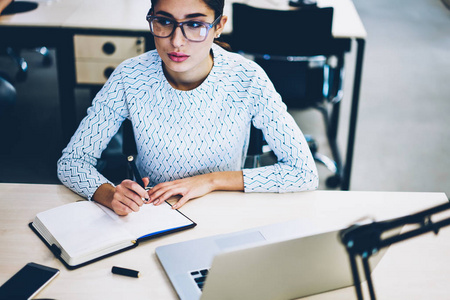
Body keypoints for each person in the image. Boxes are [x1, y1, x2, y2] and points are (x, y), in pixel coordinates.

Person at [57, 0, 319, 216]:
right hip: (156, 213)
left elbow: (304, 172)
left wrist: (210, 181)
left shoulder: (248, 78)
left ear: (219, 27)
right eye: (164, 21)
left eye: (194, 24)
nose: (176, 42)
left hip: (225, 208)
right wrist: (110, 194)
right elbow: (71, 162)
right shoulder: (130, 77)